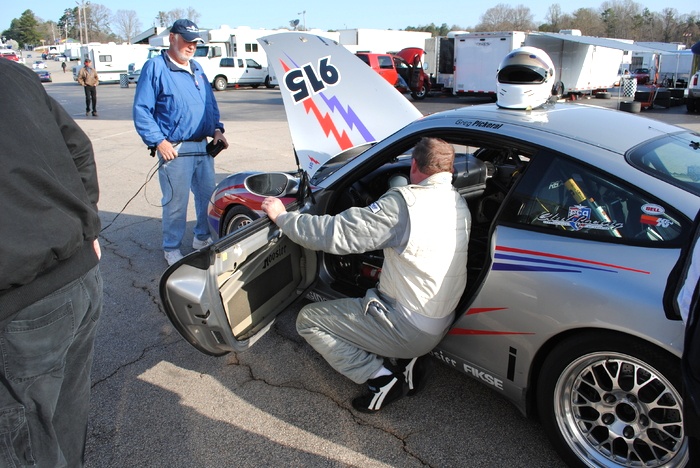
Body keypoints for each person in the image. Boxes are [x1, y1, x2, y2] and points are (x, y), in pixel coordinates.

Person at [261, 137, 471, 412]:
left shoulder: (405, 204)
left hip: (410, 328)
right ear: (449, 169)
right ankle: (410, 359)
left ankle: (381, 378)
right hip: (442, 320)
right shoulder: (459, 202)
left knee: (308, 320)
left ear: (415, 165)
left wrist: (283, 218)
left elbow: (335, 234)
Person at [0, 58, 103, 466]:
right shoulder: (13, 74)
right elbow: (78, 149)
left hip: (22, 302)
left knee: (27, 440)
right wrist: (88, 231)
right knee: (63, 417)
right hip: (77, 276)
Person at [133, 19, 229, 266]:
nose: (191, 46)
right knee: (176, 203)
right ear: (172, 38)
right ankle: (171, 247)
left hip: (202, 147)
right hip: (174, 149)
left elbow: (210, 104)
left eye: (195, 42)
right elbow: (142, 110)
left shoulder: (197, 67)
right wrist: (158, 141)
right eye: (187, 40)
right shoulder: (155, 67)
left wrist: (217, 129)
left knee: (207, 197)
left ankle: (202, 237)